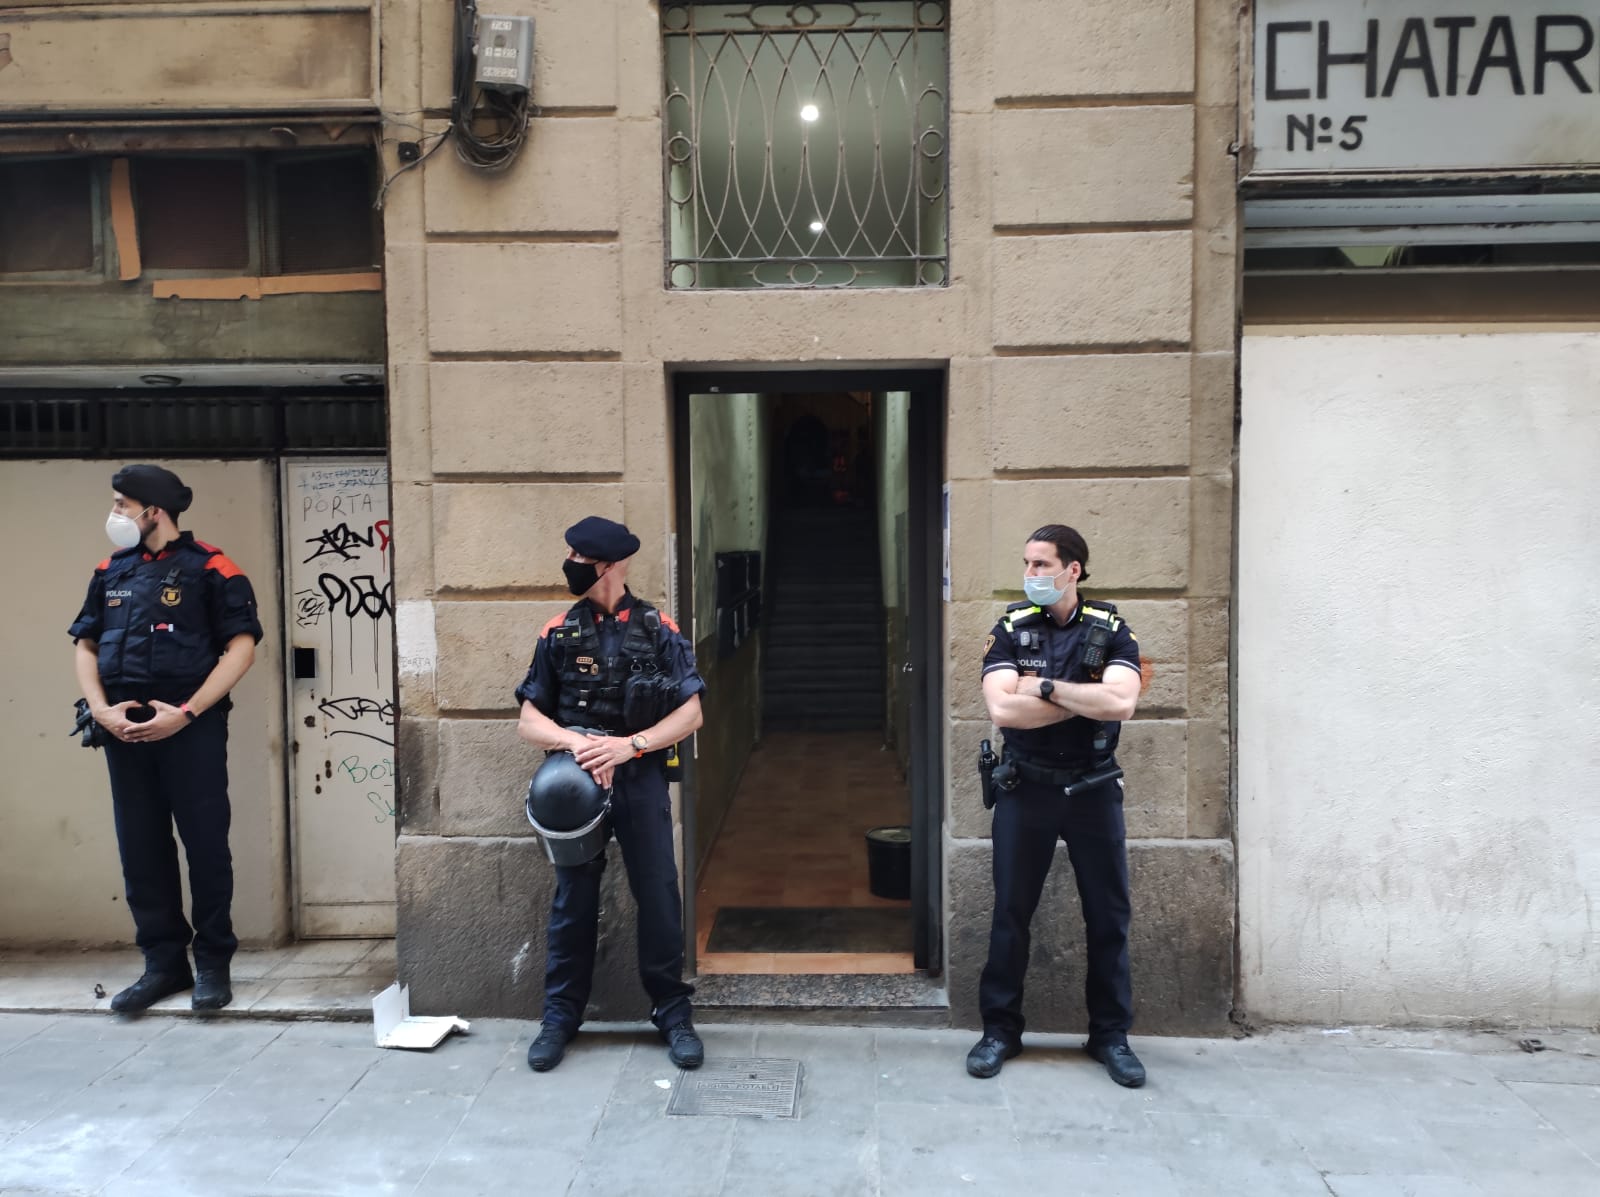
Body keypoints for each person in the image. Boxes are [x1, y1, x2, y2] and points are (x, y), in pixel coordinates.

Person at [515, 516, 707, 1073]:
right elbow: (529, 720)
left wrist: (631, 746)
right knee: (573, 901)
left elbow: (691, 712)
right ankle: (559, 1017)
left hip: (639, 778)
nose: (571, 562)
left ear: (612, 564)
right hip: (576, 786)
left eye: (580, 555)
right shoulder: (558, 631)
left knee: (660, 896)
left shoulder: (659, 627)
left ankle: (672, 1013)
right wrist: (577, 743)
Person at [70, 465, 263, 1014]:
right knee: (141, 847)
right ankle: (163, 964)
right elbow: (85, 643)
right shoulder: (111, 570)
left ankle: (213, 964)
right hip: (123, 730)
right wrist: (102, 710)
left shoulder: (212, 568)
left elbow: (241, 648)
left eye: (122, 504)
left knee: (205, 845)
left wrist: (186, 712)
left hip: (190, 728)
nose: (115, 515)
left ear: (154, 510)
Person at [967, 524, 1147, 1087]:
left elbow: (1121, 701)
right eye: (1027, 563)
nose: (1031, 575)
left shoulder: (1111, 630)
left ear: (1073, 570)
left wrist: (1042, 688)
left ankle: (1110, 1036)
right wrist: (1081, 697)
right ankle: (1000, 1030)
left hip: (1093, 790)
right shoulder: (1012, 629)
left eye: (1042, 564)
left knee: (1109, 916)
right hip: (1027, 788)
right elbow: (1002, 712)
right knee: (1010, 915)